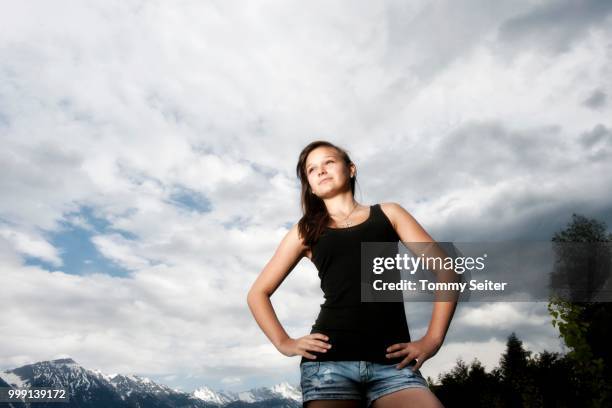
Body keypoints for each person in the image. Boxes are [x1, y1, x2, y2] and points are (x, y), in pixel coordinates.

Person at [247, 140, 456, 407]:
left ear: (351, 169)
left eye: (329, 162)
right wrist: (284, 342)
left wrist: (432, 340)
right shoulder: (305, 231)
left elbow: (447, 270)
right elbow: (257, 294)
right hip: (328, 365)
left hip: (393, 366)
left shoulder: (389, 214)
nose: (321, 170)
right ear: (310, 185)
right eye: (312, 169)